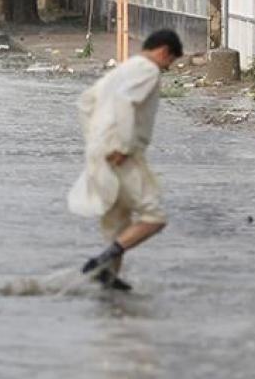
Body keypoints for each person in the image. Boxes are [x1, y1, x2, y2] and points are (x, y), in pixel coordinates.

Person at [68, 29, 183, 291]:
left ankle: (108, 280)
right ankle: (101, 261)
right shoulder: (148, 70)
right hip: (122, 154)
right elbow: (124, 102)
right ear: (164, 51)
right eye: (171, 61)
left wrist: (95, 141)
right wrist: (121, 145)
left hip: (100, 152)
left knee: (118, 220)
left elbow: (85, 103)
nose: (167, 68)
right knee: (154, 217)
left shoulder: (124, 68)